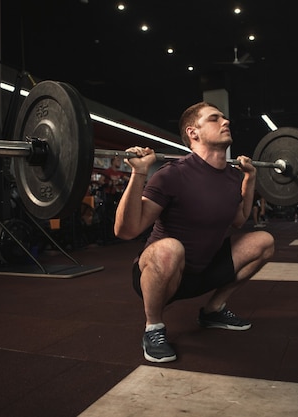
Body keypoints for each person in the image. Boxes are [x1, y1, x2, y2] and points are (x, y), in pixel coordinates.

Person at [114, 102, 275, 363]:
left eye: (224, 117)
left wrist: (250, 179)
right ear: (193, 133)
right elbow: (126, 230)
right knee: (170, 249)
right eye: (215, 119)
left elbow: (239, 220)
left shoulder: (233, 177)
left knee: (264, 242)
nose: (226, 122)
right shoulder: (172, 175)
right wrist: (139, 173)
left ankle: (212, 310)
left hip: (204, 270)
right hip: (163, 273)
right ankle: (153, 327)